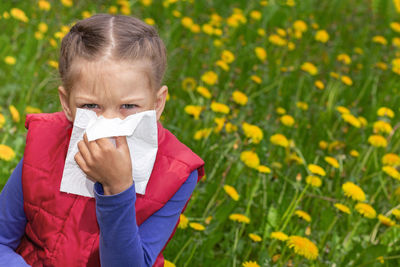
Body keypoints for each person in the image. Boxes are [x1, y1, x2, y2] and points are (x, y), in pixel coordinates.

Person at [0, 14, 205, 267]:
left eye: (128, 106)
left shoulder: (176, 174)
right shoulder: (44, 141)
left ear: (157, 103)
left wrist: (117, 190)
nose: (109, 122)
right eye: (91, 105)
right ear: (67, 104)